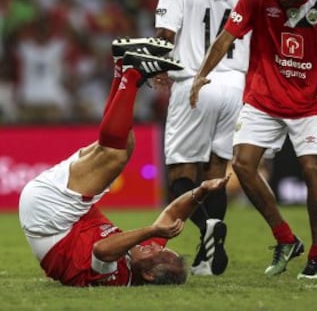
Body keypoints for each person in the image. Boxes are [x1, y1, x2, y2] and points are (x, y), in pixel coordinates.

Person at [190, 0, 317, 279]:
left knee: (313, 172)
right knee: (242, 165)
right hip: (262, 99)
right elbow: (226, 38)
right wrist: (201, 74)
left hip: (310, 103)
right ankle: (285, 238)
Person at [18, 36, 230, 287]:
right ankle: (122, 66)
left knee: (114, 155)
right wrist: (200, 192)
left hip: (50, 220)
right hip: (68, 215)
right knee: (124, 146)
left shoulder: (118, 276)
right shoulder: (144, 252)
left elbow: (101, 250)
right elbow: (172, 214)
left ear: (149, 274)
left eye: (158, 253)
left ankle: (131, 75)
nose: (154, 245)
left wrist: (152, 231)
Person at [154, 0, 254, 276]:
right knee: (216, 170)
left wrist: (158, 66)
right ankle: (210, 257)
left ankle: (208, 229)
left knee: (181, 174)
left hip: (196, 82)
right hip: (235, 86)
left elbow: (166, 31)